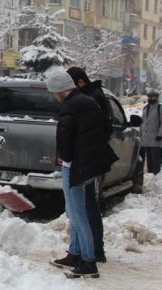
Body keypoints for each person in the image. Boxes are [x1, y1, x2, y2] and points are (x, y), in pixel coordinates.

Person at [46, 70, 116, 278]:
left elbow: (64, 139)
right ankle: (75, 253)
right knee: (79, 211)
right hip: (90, 166)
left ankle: (88, 261)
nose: (53, 96)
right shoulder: (89, 101)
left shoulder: (69, 107)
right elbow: (105, 128)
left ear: (60, 90)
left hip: (74, 166)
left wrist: (66, 157)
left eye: (54, 92)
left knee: (77, 215)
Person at [66, 66, 115, 263]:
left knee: (86, 206)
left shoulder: (92, 99)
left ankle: (93, 250)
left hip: (87, 159)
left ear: (79, 83)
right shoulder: (94, 95)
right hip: (90, 157)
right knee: (86, 205)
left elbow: (95, 130)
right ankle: (89, 249)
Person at [141, 90, 162, 174]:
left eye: (153, 97)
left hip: (155, 137)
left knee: (155, 156)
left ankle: (156, 172)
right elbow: (143, 122)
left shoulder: (160, 108)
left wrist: (160, 134)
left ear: (156, 98)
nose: (150, 98)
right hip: (146, 137)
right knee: (148, 157)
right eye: (149, 97)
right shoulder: (145, 108)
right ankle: (150, 172)